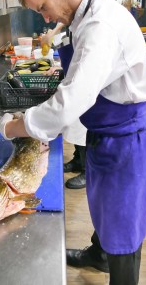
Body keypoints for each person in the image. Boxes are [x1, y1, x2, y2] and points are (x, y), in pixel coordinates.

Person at [0, 0, 146, 285]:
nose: (45, 16)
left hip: (127, 140)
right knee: (105, 210)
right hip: (106, 134)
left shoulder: (100, 25)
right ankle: (99, 256)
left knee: (124, 228)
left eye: (42, 7)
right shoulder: (84, 14)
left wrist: (16, 126)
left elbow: (70, 103)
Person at [41, 22, 87, 189]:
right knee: (75, 126)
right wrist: (59, 68)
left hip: (85, 84)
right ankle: (77, 161)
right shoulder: (71, 27)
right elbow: (73, 57)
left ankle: (87, 170)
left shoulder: (88, 23)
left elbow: (86, 59)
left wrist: (53, 32)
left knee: (83, 131)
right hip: (73, 77)